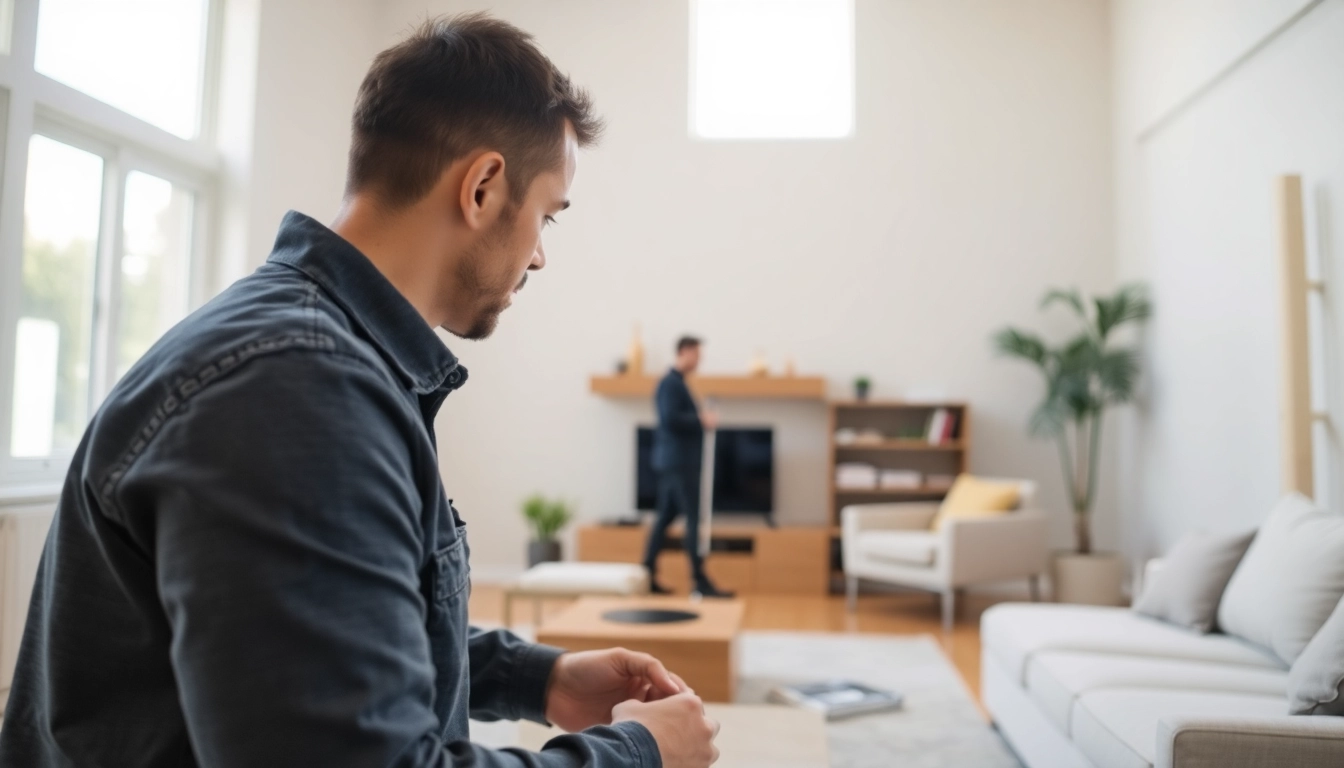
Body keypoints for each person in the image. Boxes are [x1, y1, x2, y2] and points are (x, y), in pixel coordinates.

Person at [0, 14, 720, 768]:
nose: (539, 256)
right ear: (481, 187)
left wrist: (536, 679)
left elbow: (320, 630)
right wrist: (638, 754)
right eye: (545, 216)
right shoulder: (297, 388)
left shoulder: (311, 359)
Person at [642, 337, 734, 598]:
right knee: (694, 519)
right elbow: (669, 419)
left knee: (664, 519)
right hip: (678, 463)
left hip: (673, 462)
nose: (699, 361)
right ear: (684, 352)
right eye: (697, 355)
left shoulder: (677, 383)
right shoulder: (670, 384)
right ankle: (700, 581)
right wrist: (701, 419)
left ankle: (647, 572)